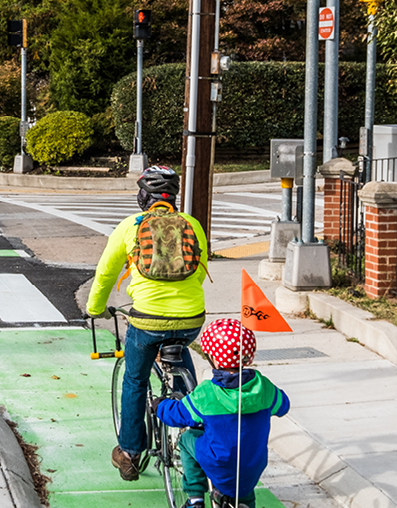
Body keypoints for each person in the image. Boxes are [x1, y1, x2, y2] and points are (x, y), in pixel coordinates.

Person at [86, 165, 208, 481]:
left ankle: (129, 452)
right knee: (182, 366)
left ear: (144, 197)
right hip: (191, 317)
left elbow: (105, 273)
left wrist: (95, 308)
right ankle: (195, 425)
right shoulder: (193, 224)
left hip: (148, 319)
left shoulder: (130, 226)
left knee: (135, 380)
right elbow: (199, 270)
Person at [155, 318, 291, 508]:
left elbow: (176, 415)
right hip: (253, 466)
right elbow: (284, 406)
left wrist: (160, 406)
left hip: (218, 463)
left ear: (213, 358)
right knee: (243, 488)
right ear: (249, 357)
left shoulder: (207, 394)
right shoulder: (265, 388)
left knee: (187, 440)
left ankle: (195, 499)